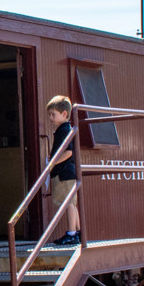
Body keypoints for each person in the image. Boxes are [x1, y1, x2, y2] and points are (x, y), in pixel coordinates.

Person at [46, 95, 80, 246]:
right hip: (68, 172)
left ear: (64, 114)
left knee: (68, 203)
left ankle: (72, 233)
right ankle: (78, 232)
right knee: (71, 203)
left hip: (64, 173)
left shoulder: (63, 130)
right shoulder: (66, 129)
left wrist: (52, 163)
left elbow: (68, 152)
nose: (51, 118)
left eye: (53, 114)